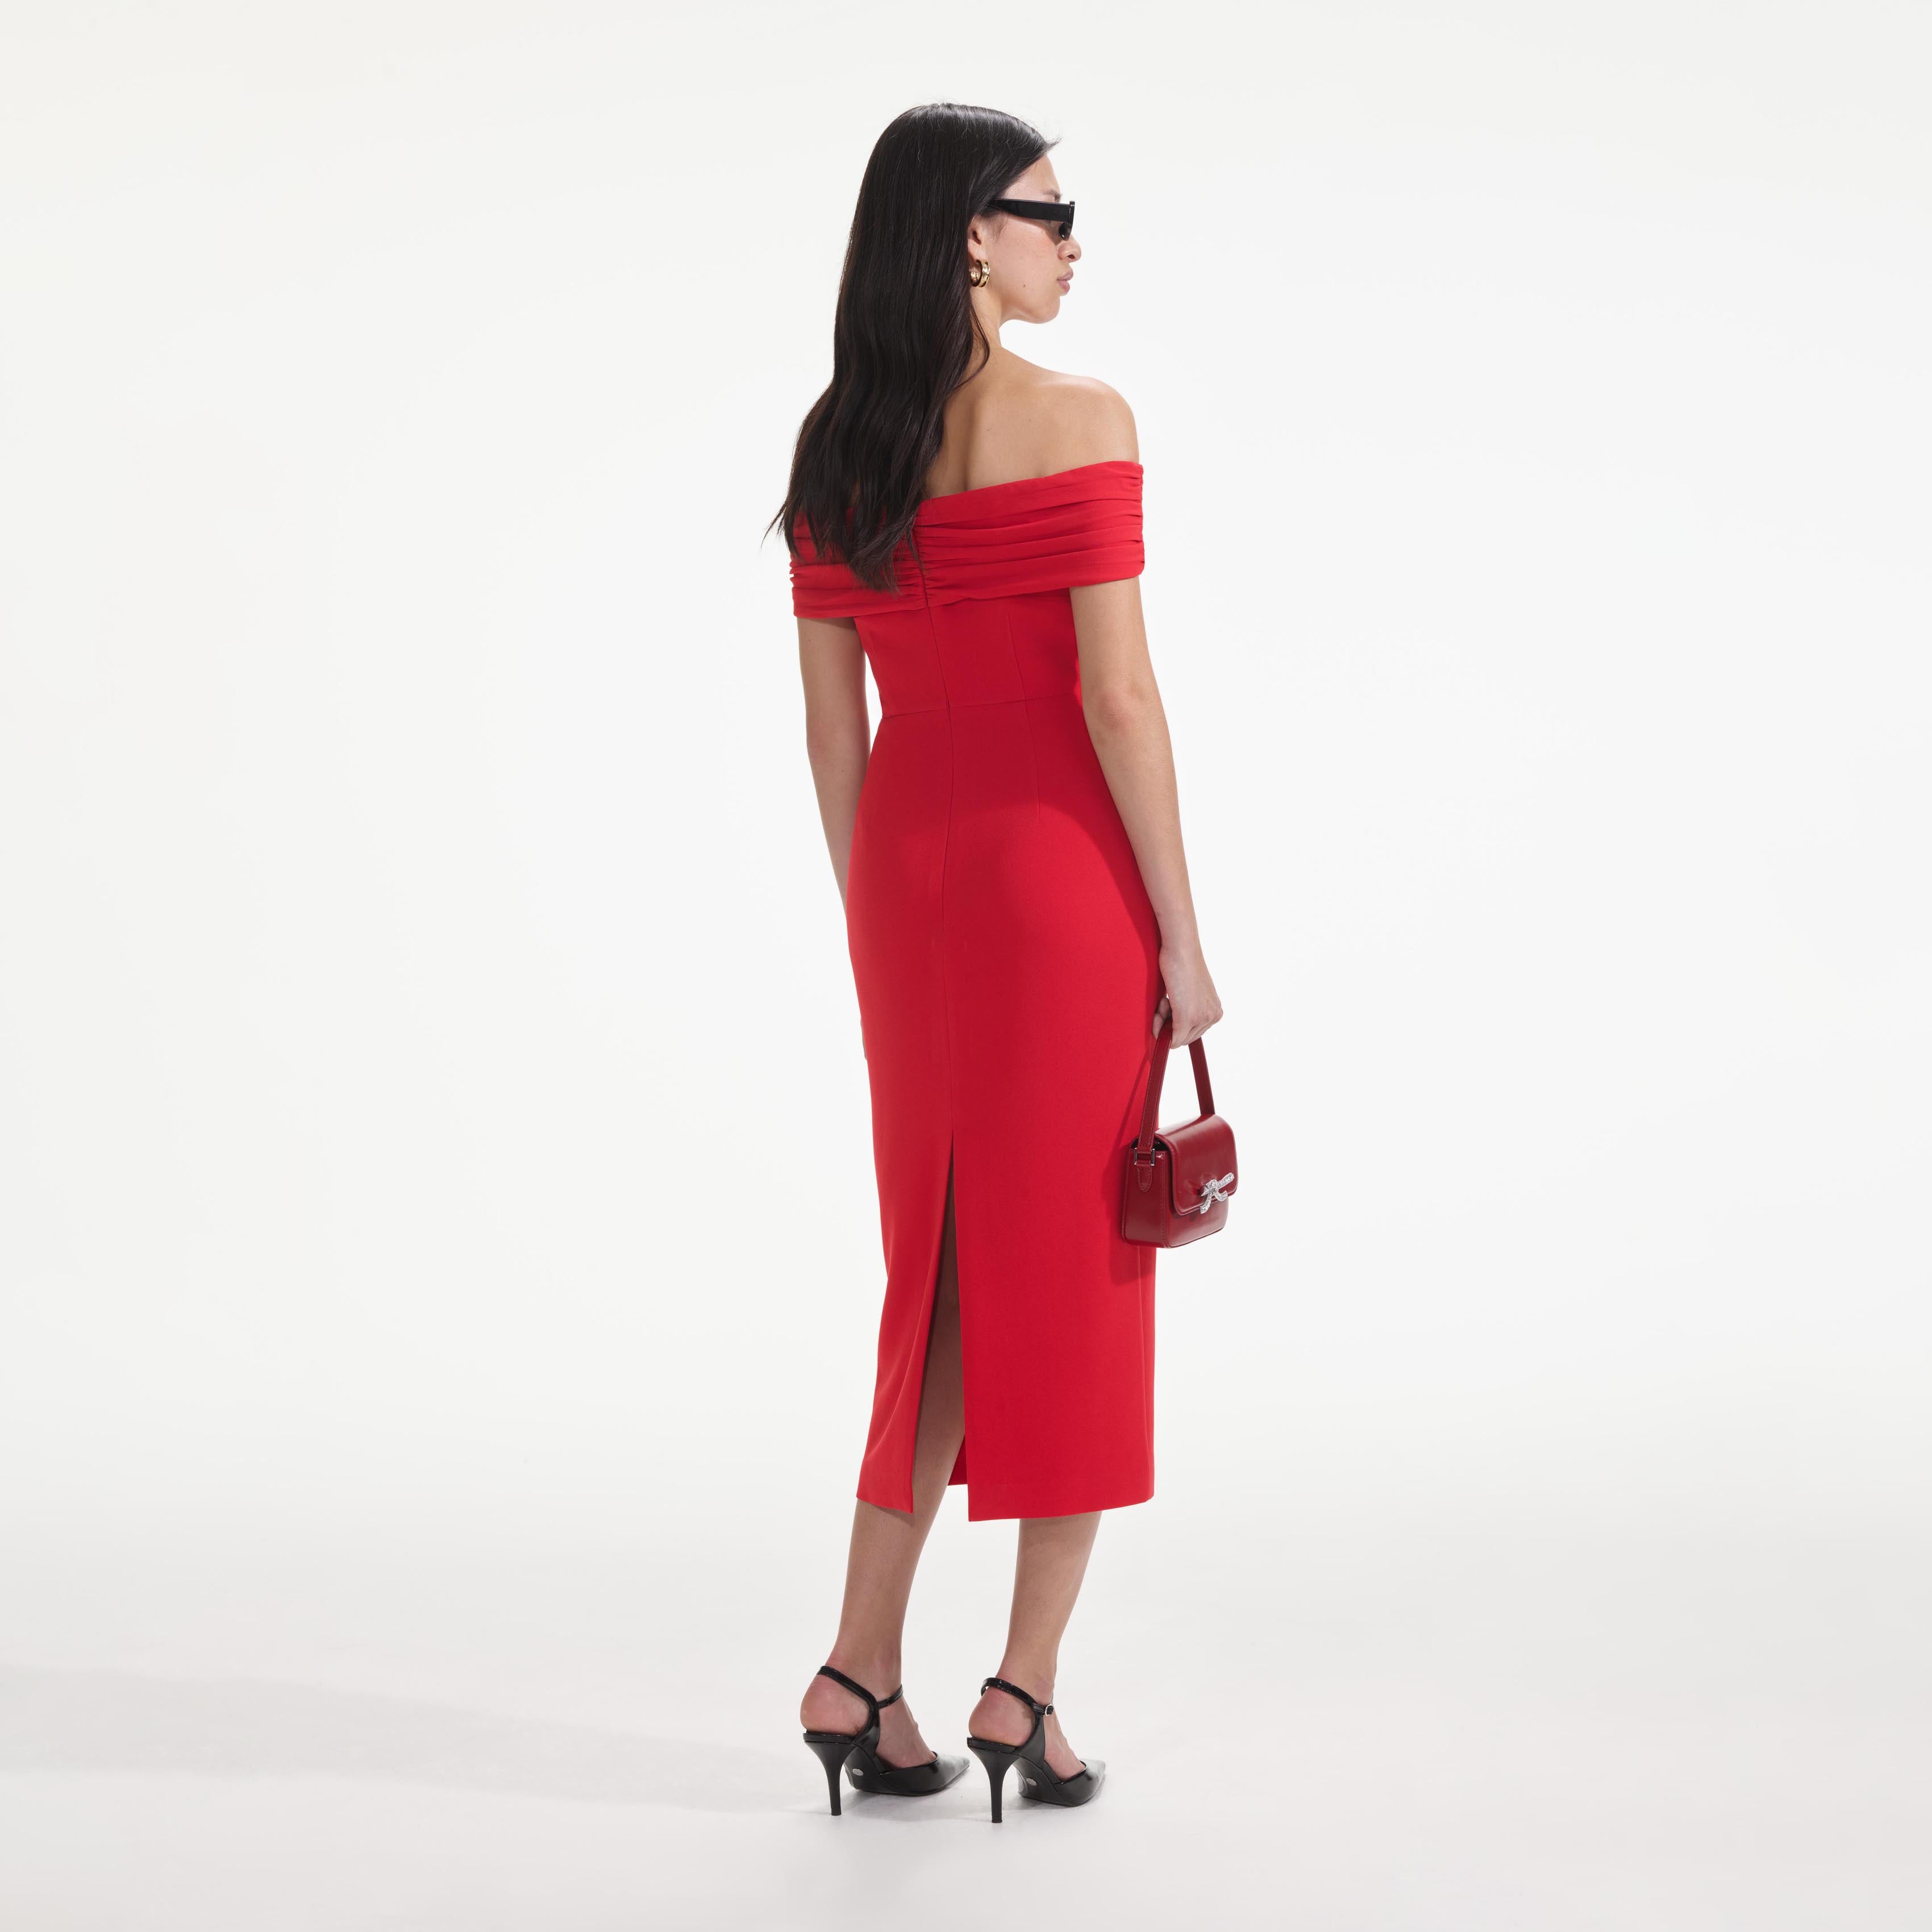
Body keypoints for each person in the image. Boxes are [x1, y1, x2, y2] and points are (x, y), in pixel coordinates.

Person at [776, 102, 1223, 1822]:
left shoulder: (842, 445)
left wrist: (878, 920)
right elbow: (1119, 699)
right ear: (973, 232)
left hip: (908, 883)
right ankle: (1023, 1693)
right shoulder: (1080, 418)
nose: (1072, 242)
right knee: (1083, 1273)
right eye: (1052, 211)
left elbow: (834, 734)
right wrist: (1181, 933)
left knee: (941, 1274)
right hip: (1057, 884)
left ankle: (855, 1667)